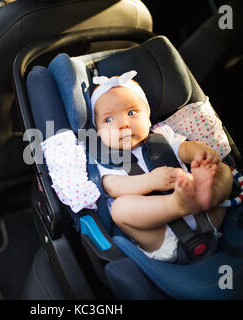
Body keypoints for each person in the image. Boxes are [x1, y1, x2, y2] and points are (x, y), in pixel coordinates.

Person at [91, 70, 233, 262]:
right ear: (98, 132)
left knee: (224, 170)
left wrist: (199, 152)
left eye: (131, 113)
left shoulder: (163, 136)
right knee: (120, 209)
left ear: (148, 118)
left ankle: (208, 195)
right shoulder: (104, 158)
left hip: (208, 215)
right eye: (108, 120)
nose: (123, 124)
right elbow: (113, 186)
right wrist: (150, 181)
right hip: (162, 237)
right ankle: (177, 205)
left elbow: (184, 148)